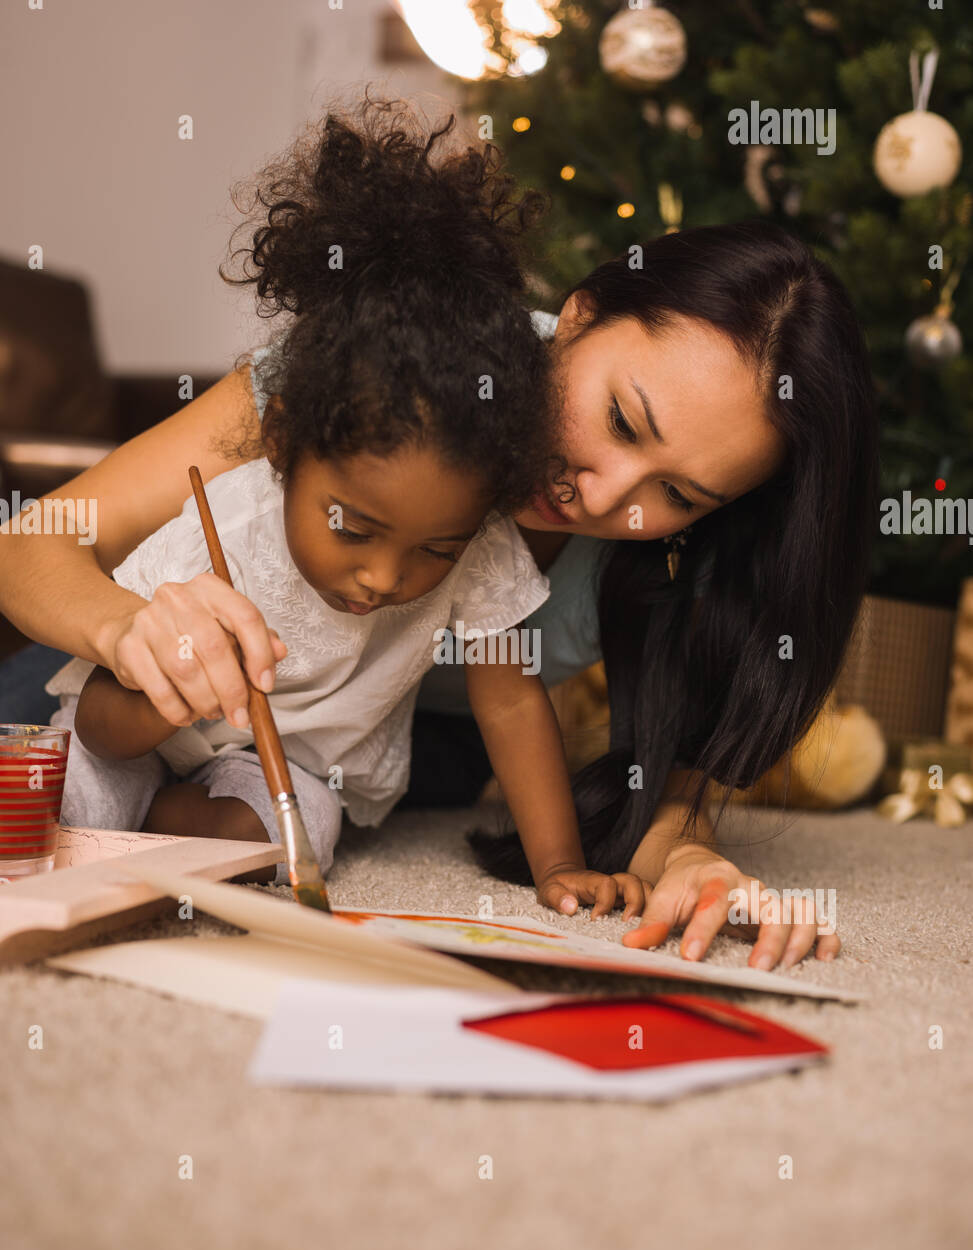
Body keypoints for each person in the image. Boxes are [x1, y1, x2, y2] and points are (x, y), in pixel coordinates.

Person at [0, 106, 879, 969]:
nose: (602, 494)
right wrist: (129, 633)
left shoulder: (674, 553)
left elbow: (656, 756)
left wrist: (685, 853)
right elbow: (32, 540)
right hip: (141, 659)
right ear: (574, 318)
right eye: (618, 418)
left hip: (376, 751)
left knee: (360, 804)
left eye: (678, 492)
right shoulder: (378, 374)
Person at [35, 99, 649, 918]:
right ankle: (120, 834)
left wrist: (559, 864)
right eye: (353, 527)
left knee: (292, 836)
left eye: (436, 548)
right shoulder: (222, 520)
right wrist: (162, 688)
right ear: (283, 443)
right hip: (131, 734)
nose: (385, 577)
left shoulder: (485, 545)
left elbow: (508, 699)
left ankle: (153, 841)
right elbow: (106, 729)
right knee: (66, 800)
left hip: (286, 765)